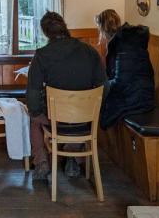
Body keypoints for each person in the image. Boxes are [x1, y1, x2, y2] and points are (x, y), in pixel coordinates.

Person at [27, 12, 106, 181]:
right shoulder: (90, 51)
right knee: (76, 117)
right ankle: (72, 159)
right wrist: (95, 111)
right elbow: (103, 86)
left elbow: (33, 91)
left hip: (55, 120)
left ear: (45, 33)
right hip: (84, 120)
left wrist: (35, 111)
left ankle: (41, 162)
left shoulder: (42, 55)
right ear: (65, 27)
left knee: (34, 119)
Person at [95, 9, 155, 129]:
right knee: (100, 102)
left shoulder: (123, 45)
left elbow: (120, 81)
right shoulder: (126, 40)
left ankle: (100, 137)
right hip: (139, 94)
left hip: (138, 99)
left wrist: (102, 86)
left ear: (103, 29)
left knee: (99, 104)